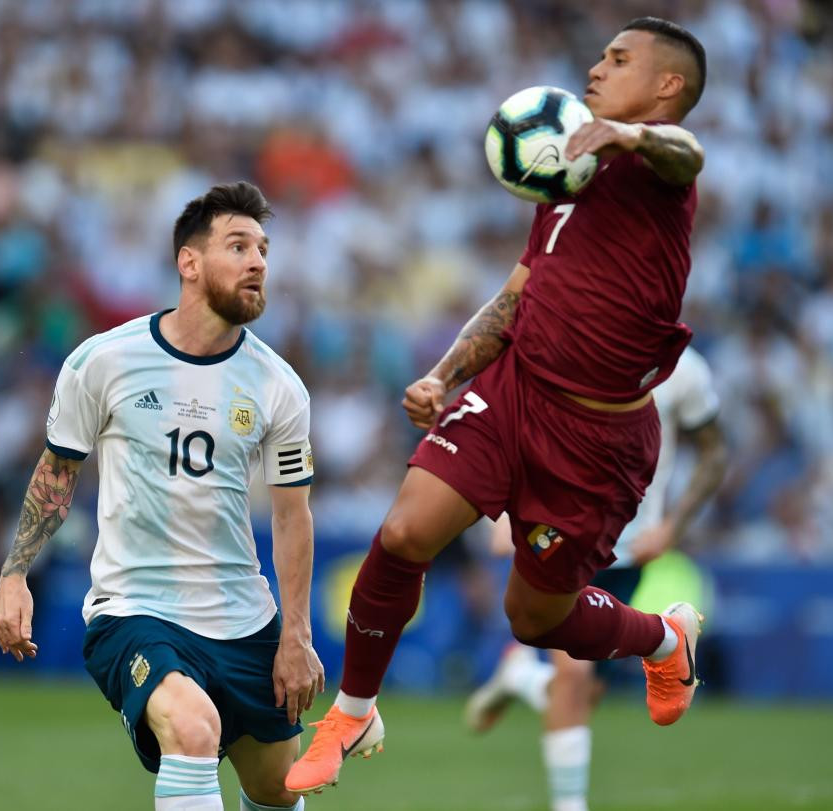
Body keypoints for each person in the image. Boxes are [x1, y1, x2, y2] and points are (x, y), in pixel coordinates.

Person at [286, 16, 710, 795]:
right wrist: (445, 373)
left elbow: (690, 151)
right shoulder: (565, 176)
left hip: (598, 435)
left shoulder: (661, 171)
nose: (595, 67)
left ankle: (663, 639)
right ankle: (351, 712)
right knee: (407, 528)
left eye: (618, 60)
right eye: (600, 55)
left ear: (667, 86)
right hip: (515, 391)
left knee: (535, 617)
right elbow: (519, 294)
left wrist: (626, 135)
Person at [0, 181, 323, 811]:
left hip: (242, 615)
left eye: (263, 249)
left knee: (276, 787)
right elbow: (58, 473)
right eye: (238, 245)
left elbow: (290, 515)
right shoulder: (105, 361)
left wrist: (295, 636)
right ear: (188, 263)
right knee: (194, 729)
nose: (258, 262)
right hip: (135, 608)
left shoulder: (280, 387)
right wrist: (14, 576)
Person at [464, 345, 727, 811]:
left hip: (631, 549)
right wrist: (503, 513)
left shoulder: (685, 370)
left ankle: (519, 676)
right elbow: (512, 422)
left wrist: (672, 527)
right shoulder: (572, 342)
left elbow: (715, 454)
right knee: (574, 679)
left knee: (584, 692)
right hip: (558, 531)